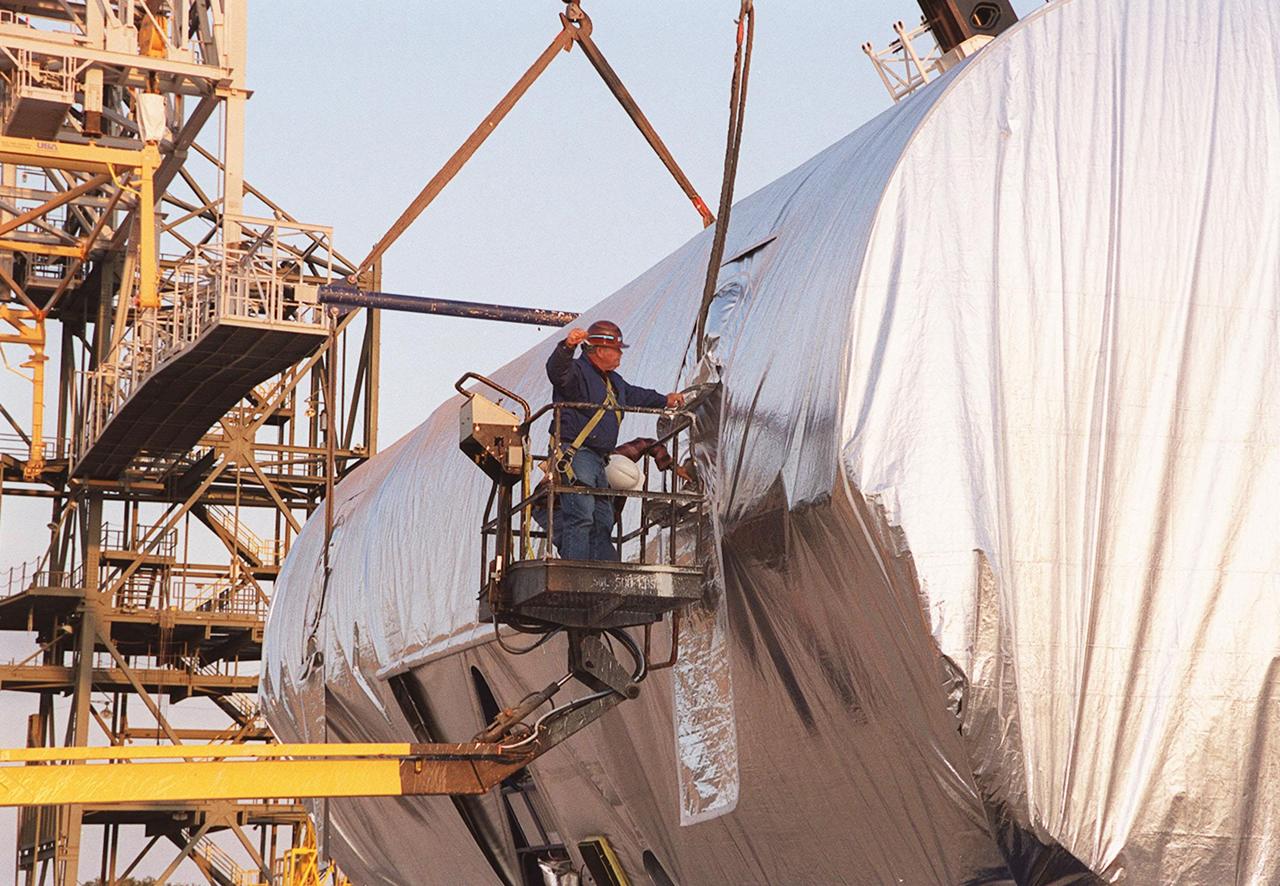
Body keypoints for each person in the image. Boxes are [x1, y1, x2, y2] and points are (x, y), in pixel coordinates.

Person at [545, 320, 685, 560]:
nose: (620, 354)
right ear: (600, 350)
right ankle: (575, 572)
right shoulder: (576, 373)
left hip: (598, 459)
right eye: (617, 349)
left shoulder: (613, 382)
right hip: (577, 454)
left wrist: (664, 400)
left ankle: (603, 570)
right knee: (582, 512)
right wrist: (566, 347)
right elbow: (557, 371)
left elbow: (635, 395)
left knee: (603, 518)